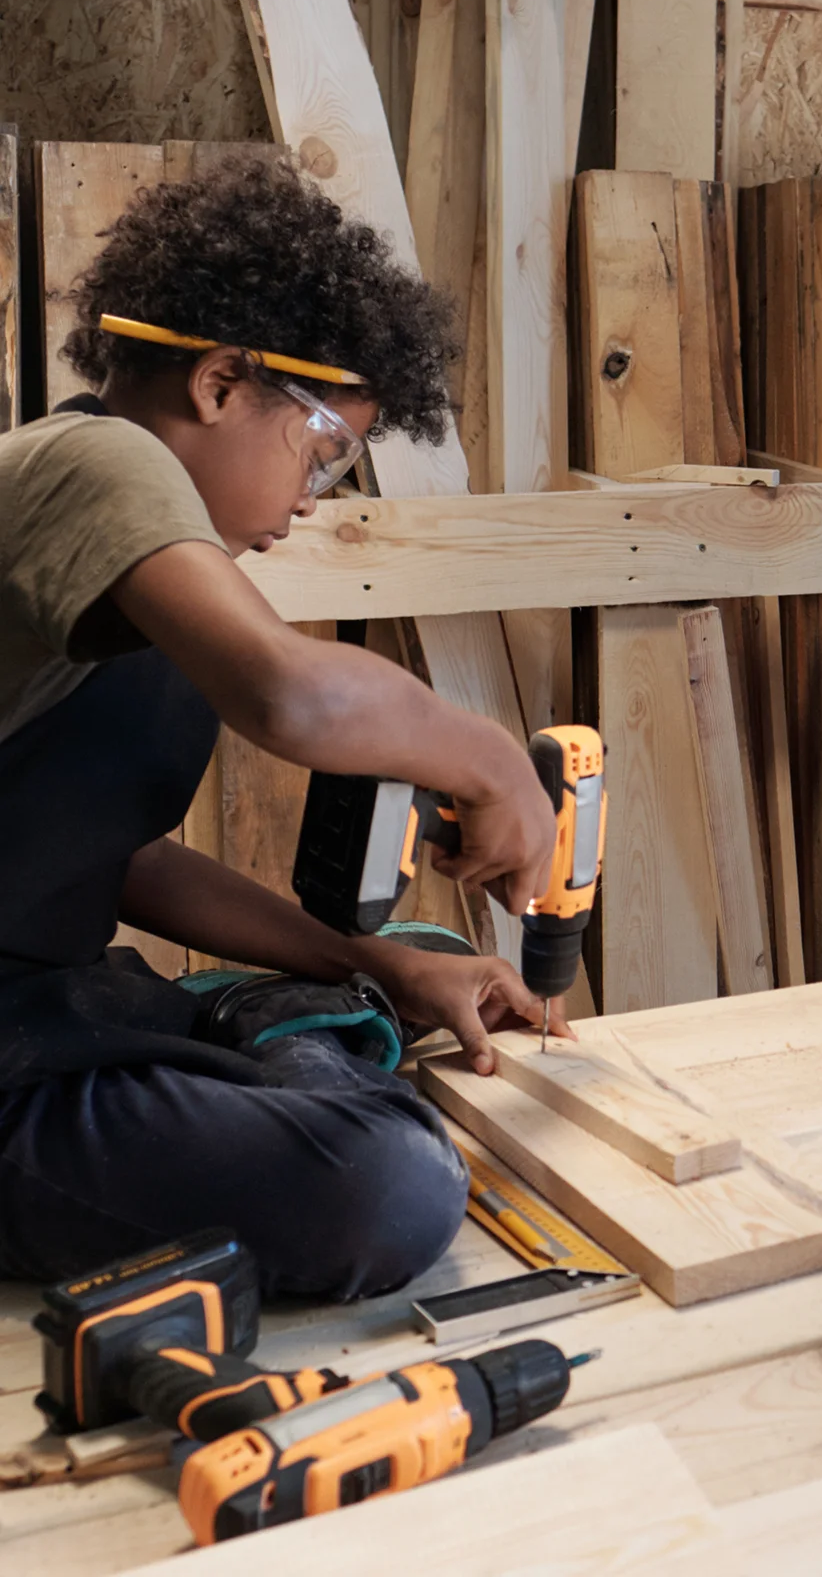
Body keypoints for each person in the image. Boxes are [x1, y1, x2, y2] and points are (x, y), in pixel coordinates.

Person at [0, 157, 561, 1298]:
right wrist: (492, 758)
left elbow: (120, 859)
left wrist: (374, 960)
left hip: (41, 1018)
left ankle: (285, 1023)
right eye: (320, 452)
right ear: (218, 383)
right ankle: (283, 1041)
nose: (311, 500)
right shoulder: (92, 459)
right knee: (386, 1188)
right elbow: (293, 697)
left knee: (376, 1034)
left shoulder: (139, 572)